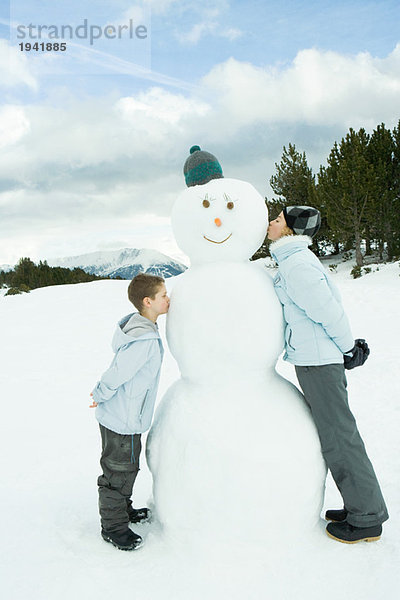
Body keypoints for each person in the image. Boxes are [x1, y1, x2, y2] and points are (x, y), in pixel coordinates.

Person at [267, 206, 388, 544]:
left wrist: (349, 348)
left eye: (277, 220)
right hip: (313, 358)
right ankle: (359, 506)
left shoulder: (298, 265)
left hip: (319, 361)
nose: (270, 223)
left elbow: (327, 311)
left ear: (290, 229)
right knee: (336, 434)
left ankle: (366, 517)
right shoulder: (291, 262)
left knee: (339, 436)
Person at [90, 273, 169, 551]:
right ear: (148, 301)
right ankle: (113, 528)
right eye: (163, 296)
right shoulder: (142, 341)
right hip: (122, 419)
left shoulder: (144, 329)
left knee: (127, 468)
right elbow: (117, 373)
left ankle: (123, 511)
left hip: (126, 416)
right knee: (118, 472)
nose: (168, 299)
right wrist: (100, 394)